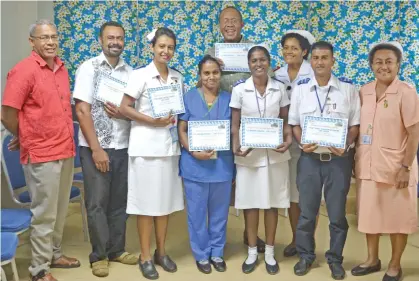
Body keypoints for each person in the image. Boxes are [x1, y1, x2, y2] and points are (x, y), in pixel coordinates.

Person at [1, 19, 80, 281]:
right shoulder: (23, 71)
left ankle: (55, 255)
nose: (50, 42)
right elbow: (7, 113)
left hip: (65, 149)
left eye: (53, 37)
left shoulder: (61, 68)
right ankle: (39, 270)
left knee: (59, 212)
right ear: (32, 42)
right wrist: (24, 136)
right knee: (44, 215)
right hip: (41, 155)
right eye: (44, 38)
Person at [288, 41, 360, 280]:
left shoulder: (348, 90)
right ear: (312, 61)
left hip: (338, 161)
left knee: (337, 215)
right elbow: (295, 123)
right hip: (309, 159)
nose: (320, 62)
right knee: (307, 213)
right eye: (316, 58)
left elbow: (354, 125)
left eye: (324, 58)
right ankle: (306, 256)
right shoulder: (300, 89)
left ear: (332, 61)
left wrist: (346, 144)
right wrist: (301, 142)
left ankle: (335, 259)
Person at [73, 21, 138, 277]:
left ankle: (116, 249)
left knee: (119, 201)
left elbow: (130, 111)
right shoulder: (88, 69)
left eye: (120, 38)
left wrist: (125, 114)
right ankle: (98, 255)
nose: (115, 42)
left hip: (123, 145)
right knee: (97, 202)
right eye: (110, 37)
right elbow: (81, 110)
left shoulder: (130, 73)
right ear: (101, 40)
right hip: (95, 147)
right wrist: (97, 149)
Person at [119, 27, 184, 280]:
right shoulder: (140, 76)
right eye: (161, 46)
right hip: (145, 149)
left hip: (169, 149)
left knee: (164, 204)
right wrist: (151, 120)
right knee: (146, 206)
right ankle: (145, 256)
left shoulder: (177, 77)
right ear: (152, 48)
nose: (165, 51)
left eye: (170, 47)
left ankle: (161, 252)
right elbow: (125, 108)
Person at [351, 42, 419, 281]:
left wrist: (405, 167)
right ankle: (372, 259)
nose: (384, 66)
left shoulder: (407, 92)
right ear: (371, 65)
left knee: (397, 218)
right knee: (371, 216)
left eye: (389, 61)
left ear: (398, 64)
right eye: (378, 62)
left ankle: (395, 264)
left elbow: (414, 133)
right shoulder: (364, 91)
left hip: (397, 167)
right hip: (368, 165)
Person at [206, 5, 268, 253]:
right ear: (220, 26)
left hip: (250, 125)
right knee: (222, 180)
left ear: (242, 25)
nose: (229, 24)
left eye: (234, 20)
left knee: (249, 181)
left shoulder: (254, 51)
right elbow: (203, 81)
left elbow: (268, 79)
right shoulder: (213, 52)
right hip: (221, 125)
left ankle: (249, 234)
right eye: (224, 21)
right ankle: (216, 236)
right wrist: (215, 67)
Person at [230, 45, 292, 275]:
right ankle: (252, 251)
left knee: (272, 204)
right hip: (248, 155)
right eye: (254, 60)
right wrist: (236, 146)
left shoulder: (280, 88)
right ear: (248, 64)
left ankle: (270, 252)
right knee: (250, 204)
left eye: (263, 60)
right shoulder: (240, 90)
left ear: (268, 62)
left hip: (275, 155)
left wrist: (287, 140)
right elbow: (235, 124)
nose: (258, 64)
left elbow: (285, 121)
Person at [178, 55, 234, 274]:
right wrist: (193, 151)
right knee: (197, 213)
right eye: (206, 73)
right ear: (200, 75)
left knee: (220, 213)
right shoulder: (189, 97)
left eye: (215, 72)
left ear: (221, 74)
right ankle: (201, 254)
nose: (211, 77)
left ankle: (217, 252)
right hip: (195, 166)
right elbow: (181, 129)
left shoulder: (230, 99)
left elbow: (235, 130)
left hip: (222, 165)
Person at [274, 30, 315, 258]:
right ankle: (295, 239)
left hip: (308, 142)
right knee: (292, 196)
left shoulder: (313, 73)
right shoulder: (276, 74)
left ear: (305, 51)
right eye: (286, 48)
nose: (289, 52)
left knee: (307, 195)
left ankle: (307, 243)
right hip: (284, 142)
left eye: (294, 48)